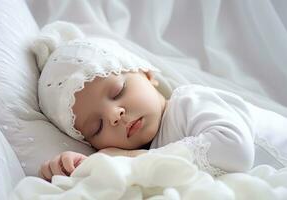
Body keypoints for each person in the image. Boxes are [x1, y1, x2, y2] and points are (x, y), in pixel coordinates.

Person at [33, 21, 287, 182]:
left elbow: (235, 152)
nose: (114, 115)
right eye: (97, 127)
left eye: (118, 91)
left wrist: (127, 156)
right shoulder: (151, 153)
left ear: (147, 74)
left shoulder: (188, 102)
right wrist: (78, 168)